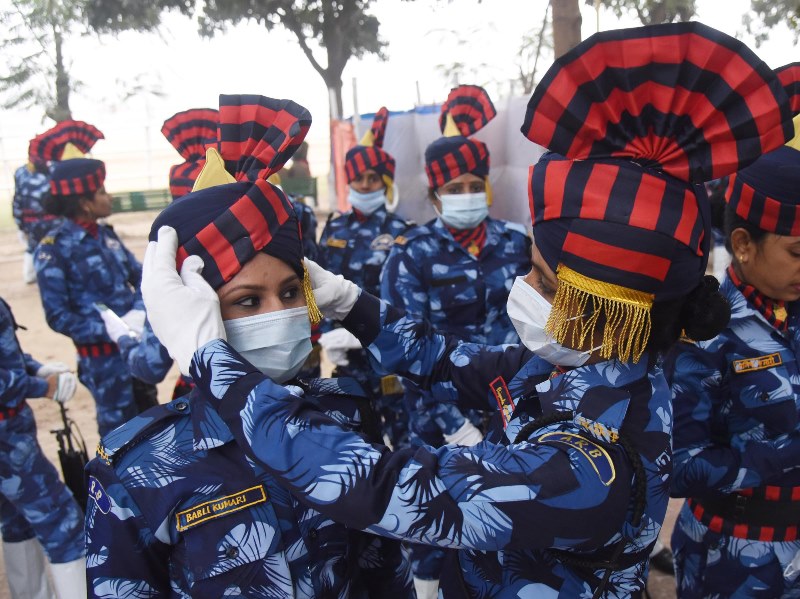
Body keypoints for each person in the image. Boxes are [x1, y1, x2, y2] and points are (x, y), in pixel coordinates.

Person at [141, 23, 793, 597]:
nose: (523, 283)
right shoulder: (577, 366)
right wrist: (349, 302)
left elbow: (382, 486)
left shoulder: (599, 458)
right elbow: (450, 361)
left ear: (600, 304)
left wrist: (212, 359)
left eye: (539, 274)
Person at [84, 94, 413, 598]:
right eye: (246, 301)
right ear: (197, 313)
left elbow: (382, 573)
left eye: (288, 293)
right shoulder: (137, 467)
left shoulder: (342, 416)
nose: (278, 315)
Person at [379, 83, 531, 593]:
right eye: (455, 187)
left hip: (514, 411)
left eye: (475, 185)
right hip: (438, 422)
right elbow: (405, 349)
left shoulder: (517, 243)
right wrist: (453, 424)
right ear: (434, 192)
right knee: (434, 525)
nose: (466, 195)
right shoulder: (411, 253)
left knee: (508, 526)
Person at [665, 62, 800, 598]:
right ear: (742, 244)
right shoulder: (705, 331)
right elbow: (676, 465)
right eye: (796, 253)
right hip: (732, 560)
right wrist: (778, 456)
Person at [33, 120, 149, 436]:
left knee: (153, 425)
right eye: (101, 191)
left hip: (139, 352)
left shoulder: (107, 237)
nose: (108, 197)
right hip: (104, 364)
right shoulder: (53, 250)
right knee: (120, 436)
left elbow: (141, 275)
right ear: (84, 202)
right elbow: (58, 316)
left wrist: (139, 312)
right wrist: (114, 330)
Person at [318, 107, 414, 447]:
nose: (365, 185)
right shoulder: (334, 229)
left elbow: (406, 296)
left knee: (405, 433)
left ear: (384, 183)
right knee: (356, 438)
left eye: (373, 179)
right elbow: (316, 283)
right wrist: (327, 337)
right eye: (358, 179)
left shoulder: (401, 231)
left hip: (390, 351)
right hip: (347, 356)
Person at [0, 296, 86, 598]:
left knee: (15, 522)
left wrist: (36, 369)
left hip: (11, 435)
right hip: (8, 442)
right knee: (64, 522)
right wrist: (42, 387)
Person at [12, 130, 63, 284]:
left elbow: (17, 200)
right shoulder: (53, 169)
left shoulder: (24, 172)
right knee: (45, 247)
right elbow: (18, 200)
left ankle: (36, 275)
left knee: (40, 247)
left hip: (42, 221)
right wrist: (20, 224)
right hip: (42, 221)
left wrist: (20, 223)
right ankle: (39, 275)